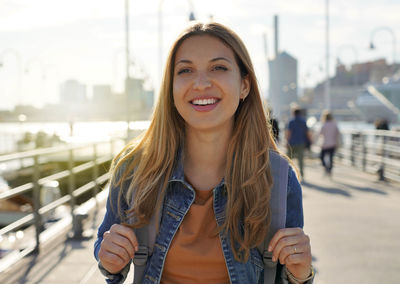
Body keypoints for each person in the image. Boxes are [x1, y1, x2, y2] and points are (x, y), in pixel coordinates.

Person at [94, 22, 313, 284]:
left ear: (244, 86)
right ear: (171, 88)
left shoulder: (278, 179)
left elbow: (285, 277)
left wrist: (301, 274)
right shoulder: (134, 171)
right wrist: (108, 260)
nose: (200, 83)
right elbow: (108, 258)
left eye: (218, 68)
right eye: (185, 70)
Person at [285, 108, 312, 179]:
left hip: (292, 143)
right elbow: (307, 133)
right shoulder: (303, 121)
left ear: (293, 113)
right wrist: (310, 141)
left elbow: (289, 133)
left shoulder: (291, 122)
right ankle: (301, 174)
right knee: (301, 159)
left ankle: (287, 173)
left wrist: (287, 142)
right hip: (301, 143)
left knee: (288, 159)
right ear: (300, 113)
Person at [318, 110, 340, 175]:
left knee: (321, 157)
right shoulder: (334, 124)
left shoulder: (324, 125)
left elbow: (320, 133)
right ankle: (329, 170)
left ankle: (325, 167)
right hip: (333, 144)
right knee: (331, 158)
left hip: (325, 144)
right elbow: (338, 133)